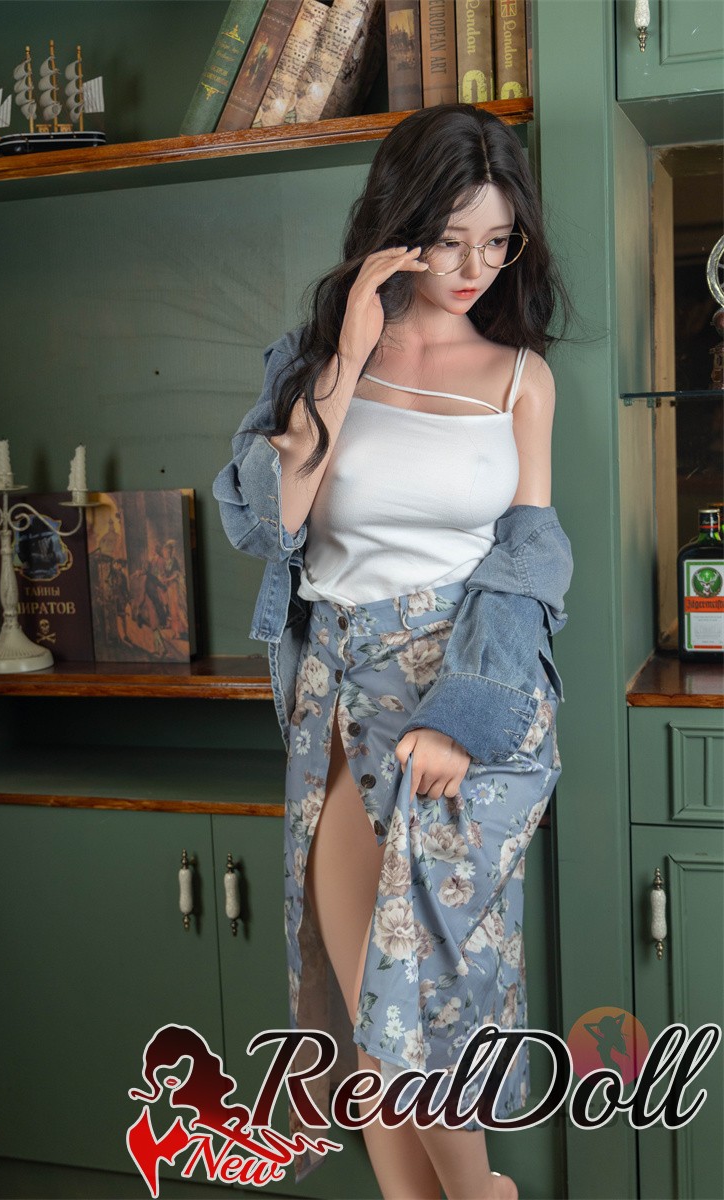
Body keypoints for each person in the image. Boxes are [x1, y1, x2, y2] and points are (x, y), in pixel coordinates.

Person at [213, 104, 573, 1200]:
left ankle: (483, 1194)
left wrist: (460, 718)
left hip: (465, 701)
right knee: (371, 1013)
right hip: (337, 703)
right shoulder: (312, 366)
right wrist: (347, 352)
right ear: (397, 228)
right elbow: (268, 521)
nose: (473, 269)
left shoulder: (519, 377)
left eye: (497, 242)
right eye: (450, 240)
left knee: (429, 1009)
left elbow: (527, 564)